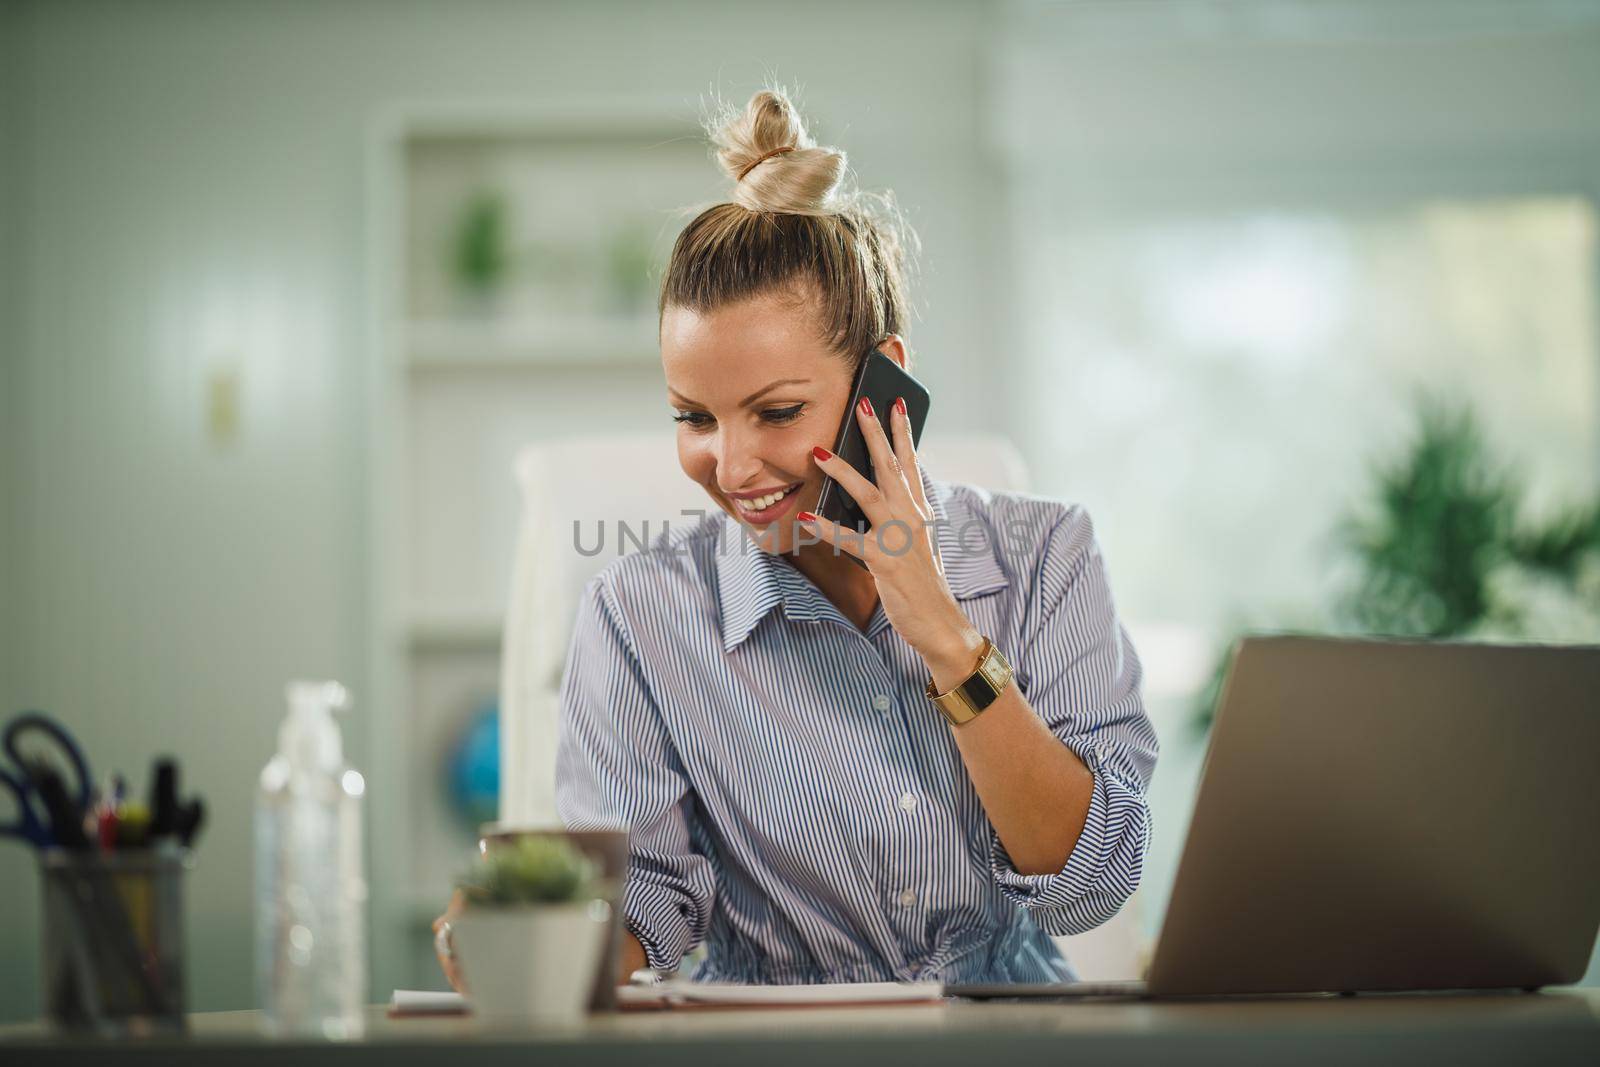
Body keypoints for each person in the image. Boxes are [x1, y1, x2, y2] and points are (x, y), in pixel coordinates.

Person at [437, 85, 1157, 989]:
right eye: (693, 416)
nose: (732, 466)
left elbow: (1089, 884)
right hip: (770, 1036)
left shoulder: (1045, 556)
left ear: (882, 383)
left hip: (1008, 1029)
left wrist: (940, 630)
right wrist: (532, 930)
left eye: (776, 412)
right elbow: (652, 902)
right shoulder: (637, 615)